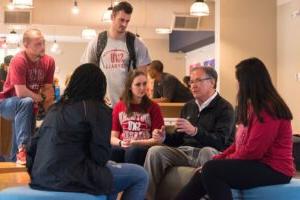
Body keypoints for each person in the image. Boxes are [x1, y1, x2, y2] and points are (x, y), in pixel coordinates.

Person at [175, 58, 295, 200]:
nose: (237, 85)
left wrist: (217, 163)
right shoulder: (251, 107)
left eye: (238, 80)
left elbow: (253, 152)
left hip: (274, 169)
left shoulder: (268, 109)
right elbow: (237, 145)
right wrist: (216, 159)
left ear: (248, 82)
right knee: (204, 171)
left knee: (211, 170)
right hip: (257, 163)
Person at [27, 63, 149, 200]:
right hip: (74, 179)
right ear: (100, 86)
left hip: (41, 178)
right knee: (140, 175)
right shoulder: (98, 110)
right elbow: (100, 156)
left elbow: (32, 148)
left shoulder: (56, 109)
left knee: (110, 169)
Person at [144, 66, 236, 200]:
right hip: (185, 152)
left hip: (211, 152)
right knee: (155, 151)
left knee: (207, 151)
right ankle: (147, 197)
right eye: (191, 82)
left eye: (198, 81)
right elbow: (178, 139)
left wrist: (195, 131)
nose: (193, 85)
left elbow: (220, 142)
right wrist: (164, 138)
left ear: (212, 82)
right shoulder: (189, 106)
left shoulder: (225, 108)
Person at [0, 28, 55, 164]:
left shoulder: (49, 61)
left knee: (23, 149)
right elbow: (21, 92)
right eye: (38, 44)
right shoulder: (18, 60)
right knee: (26, 102)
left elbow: (48, 90)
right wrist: (41, 98)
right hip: (8, 104)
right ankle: (22, 148)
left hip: (29, 106)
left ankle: (18, 157)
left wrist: (51, 114)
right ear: (26, 45)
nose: (42, 47)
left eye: (43, 43)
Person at [81, 1, 151, 107]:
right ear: (112, 16)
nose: (124, 24)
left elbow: (142, 78)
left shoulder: (136, 44)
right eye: (121, 20)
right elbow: (87, 74)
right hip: (102, 105)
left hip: (128, 106)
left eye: (127, 21)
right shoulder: (97, 42)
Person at [110, 70, 165, 166]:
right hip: (124, 144)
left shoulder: (153, 107)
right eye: (138, 84)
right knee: (112, 151)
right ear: (130, 87)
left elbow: (156, 140)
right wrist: (121, 143)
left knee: (133, 151)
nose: (142, 88)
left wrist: (135, 142)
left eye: (144, 84)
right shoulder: (119, 106)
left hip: (143, 146)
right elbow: (112, 137)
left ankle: (132, 180)